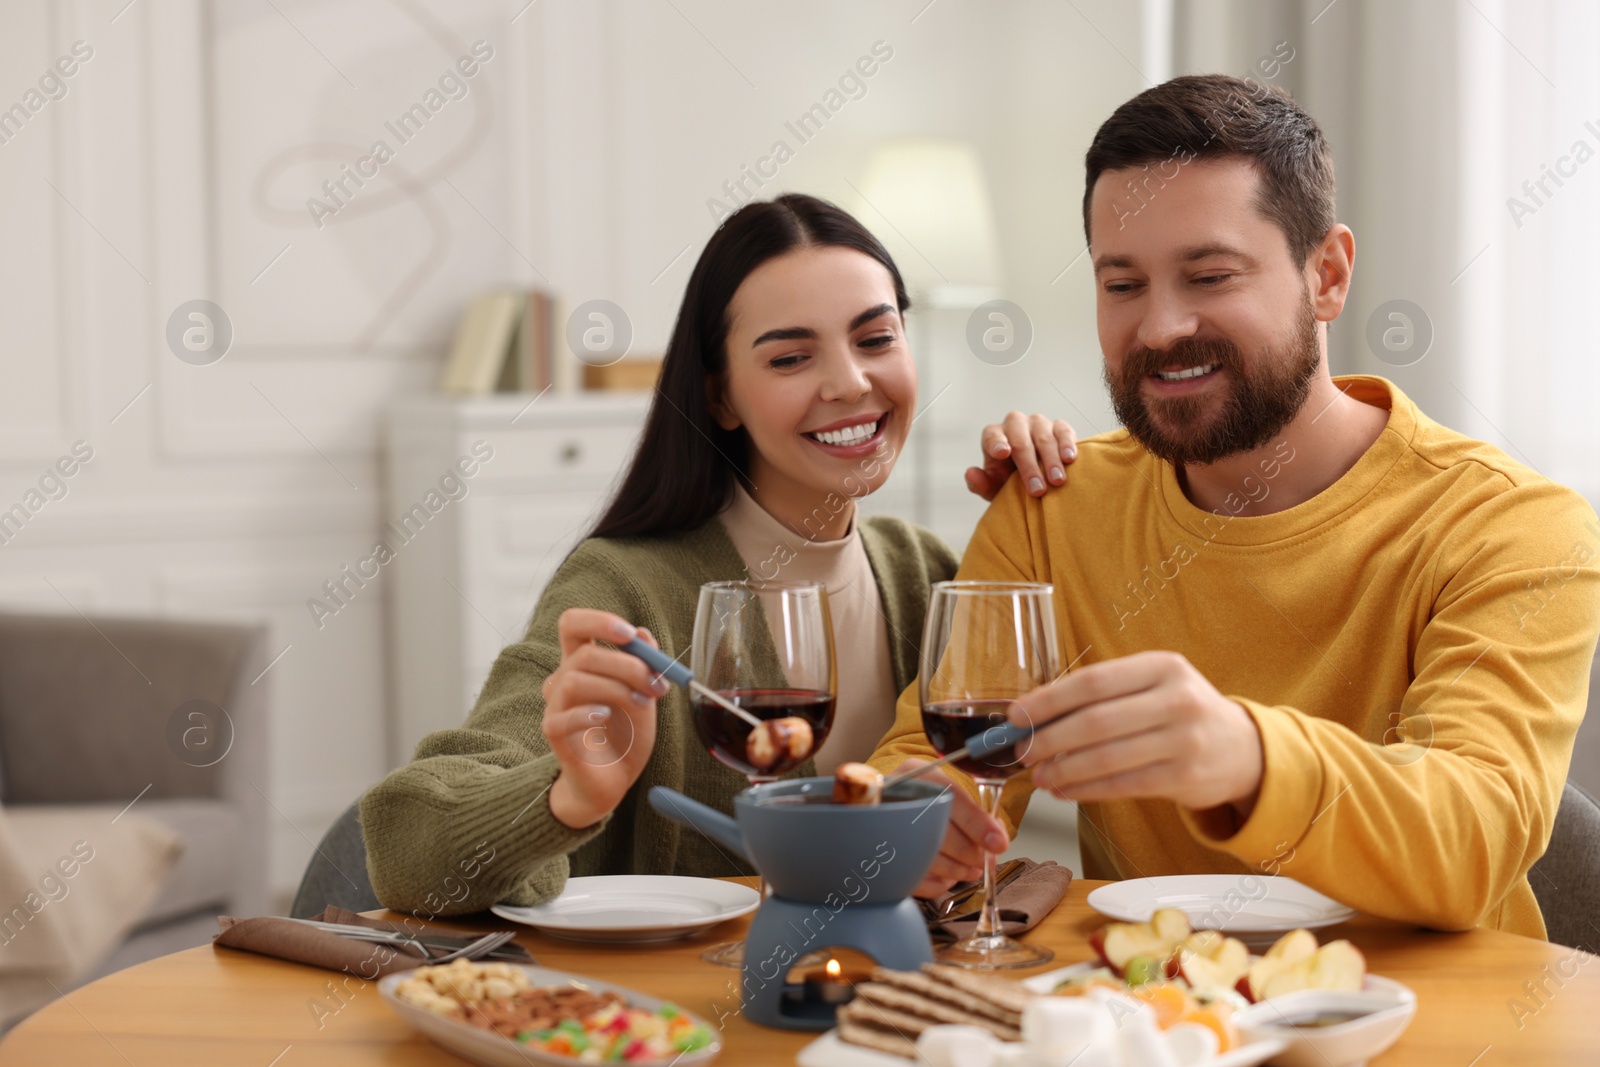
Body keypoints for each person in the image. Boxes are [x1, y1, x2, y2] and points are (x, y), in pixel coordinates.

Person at [872, 74, 1600, 939]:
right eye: (1123, 284)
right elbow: (931, 761)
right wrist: (909, 817)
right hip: (1154, 1019)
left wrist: (1245, 758)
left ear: (1326, 276)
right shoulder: (1052, 507)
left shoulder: (1513, 525)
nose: (1160, 327)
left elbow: (1474, 835)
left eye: (1209, 275)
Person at [361, 193, 1078, 914]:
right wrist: (569, 796)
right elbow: (407, 851)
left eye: (876, 338)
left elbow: (1058, 705)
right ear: (721, 396)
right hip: (686, 1018)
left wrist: (1050, 507)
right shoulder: (628, 587)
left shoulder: (925, 572)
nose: (850, 382)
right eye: (792, 357)